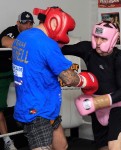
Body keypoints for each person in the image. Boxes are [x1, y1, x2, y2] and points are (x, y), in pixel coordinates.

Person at [12, 6, 98, 150]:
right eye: (67, 30)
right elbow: (69, 78)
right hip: (38, 110)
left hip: (38, 105)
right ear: (54, 23)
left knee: (61, 146)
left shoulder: (23, 36)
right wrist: (86, 80)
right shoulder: (47, 44)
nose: (66, 34)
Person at [61, 21, 121, 150]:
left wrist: (97, 102)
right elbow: (60, 50)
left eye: (103, 38)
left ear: (113, 39)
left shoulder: (120, 58)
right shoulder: (87, 50)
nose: (98, 42)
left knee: (114, 145)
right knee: (103, 146)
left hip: (117, 106)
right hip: (97, 108)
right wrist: (51, 37)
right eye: (96, 37)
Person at [0, 11, 34, 150]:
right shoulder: (11, 31)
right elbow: (6, 42)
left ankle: (27, 126)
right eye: (24, 23)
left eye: (30, 23)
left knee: (33, 93)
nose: (27, 26)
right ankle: (7, 140)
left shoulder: (33, 35)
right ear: (18, 23)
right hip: (1, 72)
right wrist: (28, 45)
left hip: (17, 71)